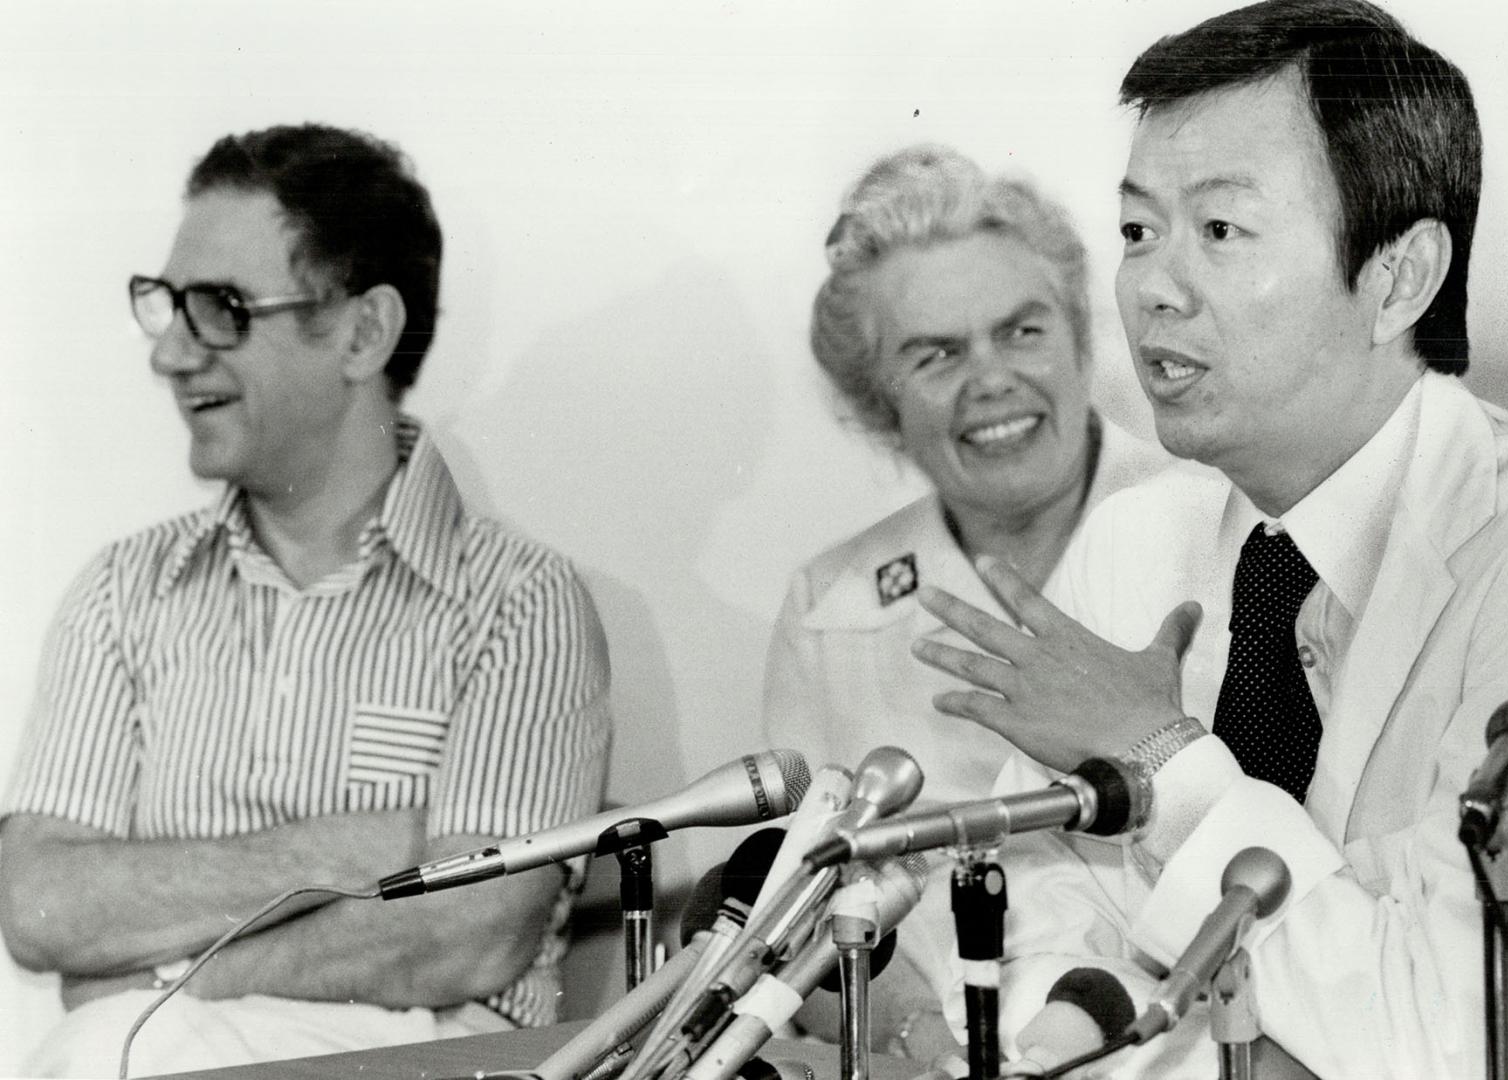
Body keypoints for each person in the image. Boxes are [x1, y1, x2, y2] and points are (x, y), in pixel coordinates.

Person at [911, 2, 1508, 1076]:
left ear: (1397, 277)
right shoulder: (1133, 540)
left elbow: (1447, 1024)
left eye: (1218, 231)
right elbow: (1032, 922)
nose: (1150, 289)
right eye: (1137, 231)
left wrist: (1160, 762)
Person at [0, 123, 612, 1076]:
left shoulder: (520, 603)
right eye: (167, 306)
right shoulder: (121, 594)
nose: (170, 355)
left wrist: (171, 973)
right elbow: (40, 906)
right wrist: (356, 852)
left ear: (364, 332)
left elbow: (470, 933)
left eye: (222, 309)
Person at [762, 145, 1168, 1059]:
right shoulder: (831, 606)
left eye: (1022, 332)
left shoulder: (1216, 537)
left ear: (1076, 339)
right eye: (936, 354)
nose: (992, 379)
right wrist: (913, 1042)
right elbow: (802, 919)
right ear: (880, 406)